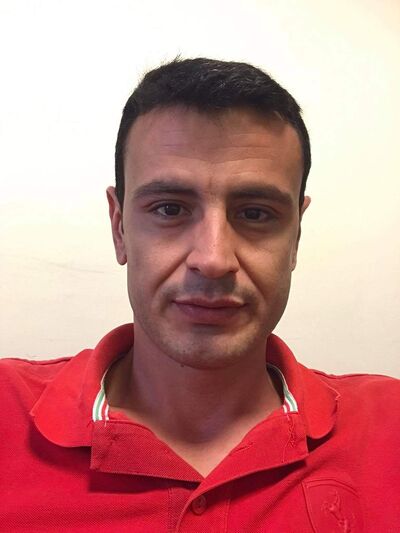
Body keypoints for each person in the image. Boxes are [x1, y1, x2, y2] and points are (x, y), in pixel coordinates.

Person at [1, 58, 398, 532]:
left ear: (296, 235)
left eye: (255, 214)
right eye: (169, 209)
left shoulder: (388, 428)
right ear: (119, 227)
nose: (213, 259)